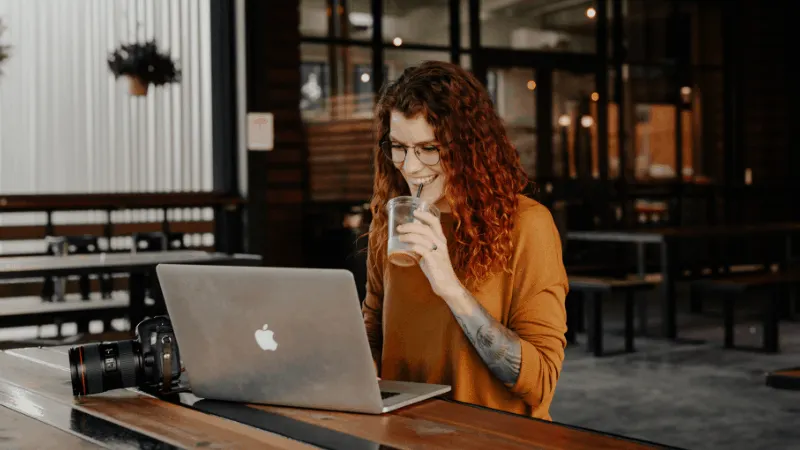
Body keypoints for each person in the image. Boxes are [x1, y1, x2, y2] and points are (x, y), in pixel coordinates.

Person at [362, 60, 569, 420]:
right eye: (398, 147)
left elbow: (541, 382)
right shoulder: (391, 220)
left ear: (469, 149)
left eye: (429, 149)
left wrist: (451, 288)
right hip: (405, 433)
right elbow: (374, 329)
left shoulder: (527, 225)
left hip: (493, 437)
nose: (410, 167)